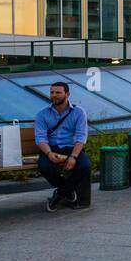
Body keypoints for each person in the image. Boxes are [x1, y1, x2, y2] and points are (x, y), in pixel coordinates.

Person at [35, 81, 91, 211]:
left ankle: (60, 195)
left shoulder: (79, 113)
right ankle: (67, 190)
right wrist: (49, 153)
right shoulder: (42, 114)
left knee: (85, 166)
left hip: (71, 148)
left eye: (58, 92)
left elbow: (81, 136)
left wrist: (73, 156)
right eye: (52, 92)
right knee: (44, 167)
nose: (54, 95)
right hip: (51, 148)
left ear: (67, 94)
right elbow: (40, 138)